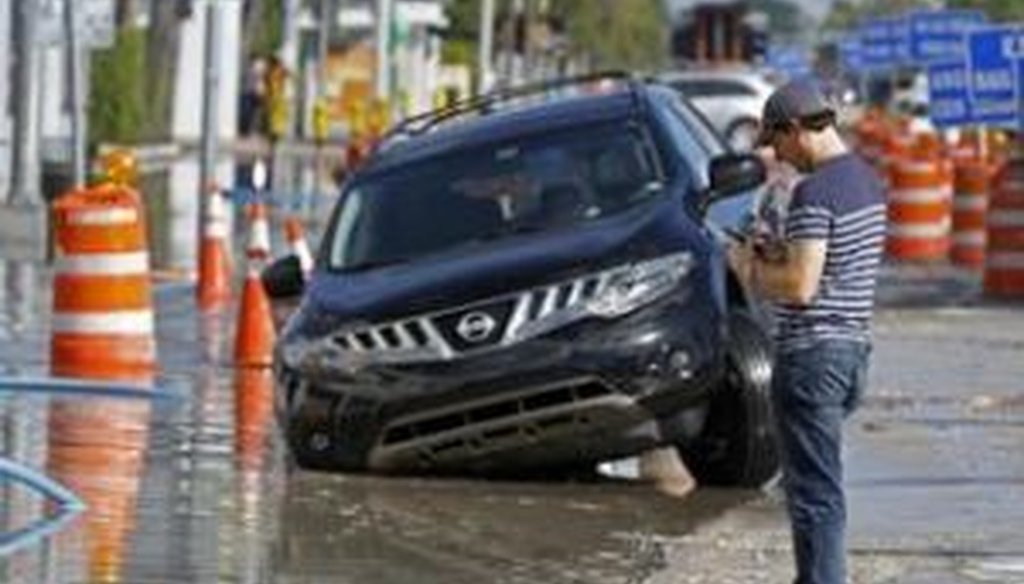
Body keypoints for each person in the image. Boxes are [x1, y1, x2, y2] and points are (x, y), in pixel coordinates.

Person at [727, 80, 886, 584]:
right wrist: (779, 250)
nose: (777, 155)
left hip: (812, 358)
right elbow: (837, 264)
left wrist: (747, 270)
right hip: (852, 353)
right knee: (818, 488)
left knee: (814, 496)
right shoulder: (864, 180)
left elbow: (799, 287)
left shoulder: (813, 191)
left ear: (797, 130)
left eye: (776, 142)